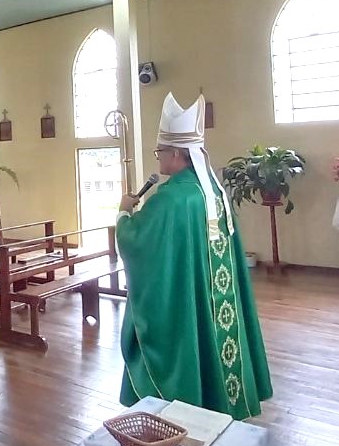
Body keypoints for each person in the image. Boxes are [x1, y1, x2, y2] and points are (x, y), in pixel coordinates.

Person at [116, 93, 273, 419]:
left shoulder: (172, 198)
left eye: (160, 152)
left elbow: (138, 244)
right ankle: (220, 400)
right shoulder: (212, 191)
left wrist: (123, 215)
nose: (158, 158)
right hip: (217, 302)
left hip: (189, 301)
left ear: (176, 154)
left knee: (183, 334)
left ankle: (188, 399)